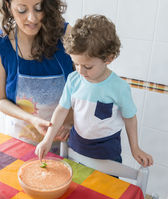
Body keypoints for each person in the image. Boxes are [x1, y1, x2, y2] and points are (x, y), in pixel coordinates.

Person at [35, 14, 153, 167]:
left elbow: (130, 118)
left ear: (108, 58)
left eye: (88, 66)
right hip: (77, 144)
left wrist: (135, 148)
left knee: (104, 189)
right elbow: (61, 110)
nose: (81, 71)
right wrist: (47, 140)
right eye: (76, 64)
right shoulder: (73, 80)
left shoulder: (119, 88)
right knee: (77, 184)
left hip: (106, 151)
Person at [0, 0, 73, 146]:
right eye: (22, 10)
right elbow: (0, 100)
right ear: (9, 7)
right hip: (20, 141)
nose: (32, 18)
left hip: (67, 141)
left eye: (38, 7)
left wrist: (70, 121)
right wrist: (31, 119)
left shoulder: (65, 36)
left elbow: (90, 84)